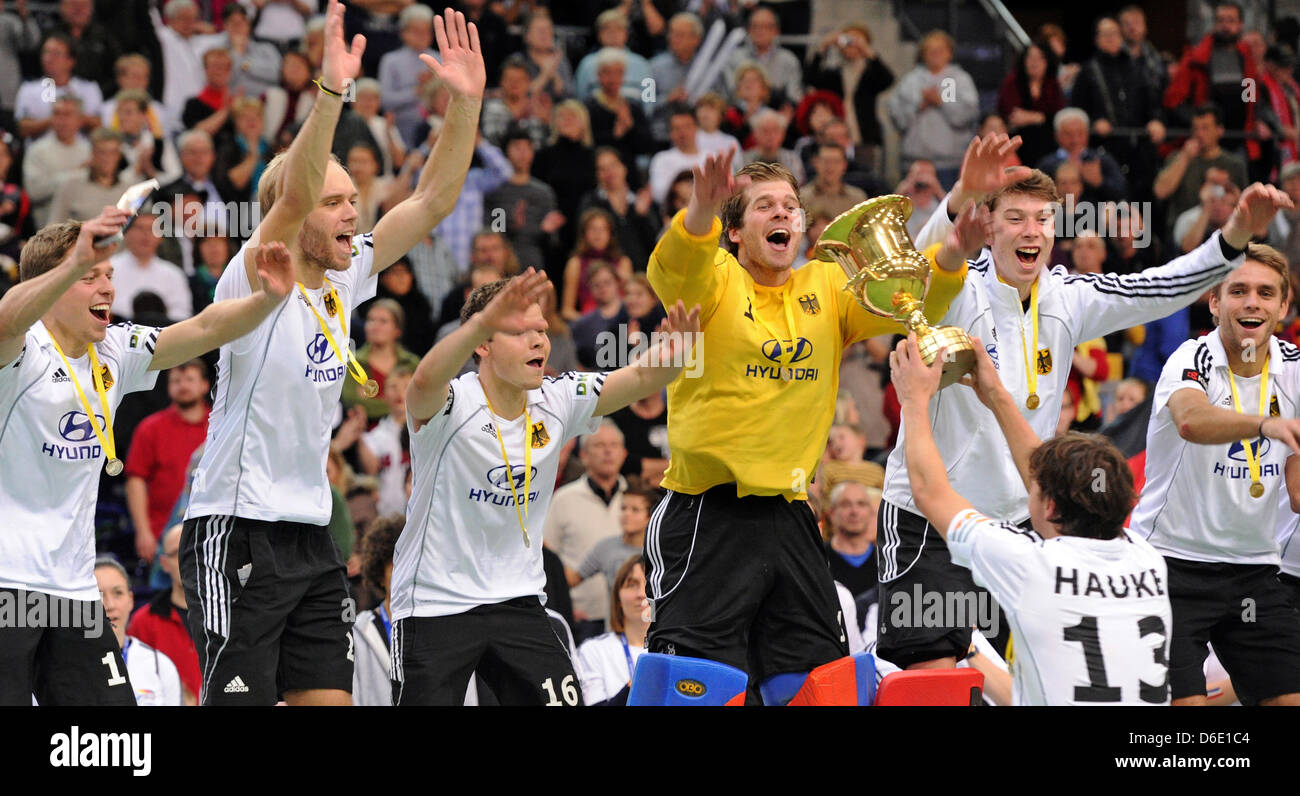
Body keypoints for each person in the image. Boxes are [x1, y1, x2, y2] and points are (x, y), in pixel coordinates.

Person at [877, 136, 1293, 671]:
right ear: (988, 225)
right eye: (1015, 218)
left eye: (1043, 219)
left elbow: (1159, 287)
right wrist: (958, 201)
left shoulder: (1069, 297)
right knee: (931, 678)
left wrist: (1234, 234)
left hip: (1018, 525)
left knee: (1003, 680)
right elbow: (914, 275)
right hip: (928, 520)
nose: (1032, 231)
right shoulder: (960, 288)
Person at [179, 2, 486, 707]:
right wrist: (329, 95)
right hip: (238, 528)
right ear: (294, 211)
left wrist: (463, 105)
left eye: (355, 198)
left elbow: (434, 198)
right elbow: (289, 196)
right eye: (335, 200)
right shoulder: (254, 275)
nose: (354, 211)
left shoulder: (347, 278)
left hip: (312, 537)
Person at [637, 145, 976, 702]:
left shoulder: (823, 285)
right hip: (707, 513)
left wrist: (951, 254)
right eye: (764, 206)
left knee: (818, 686)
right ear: (735, 233)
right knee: (692, 690)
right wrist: (701, 207)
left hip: (793, 517)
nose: (782, 215)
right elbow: (677, 265)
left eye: (790, 207)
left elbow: (904, 302)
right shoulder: (716, 277)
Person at [0, 202, 295, 707]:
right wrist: (72, 261)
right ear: (48, 287)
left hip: (73, 590)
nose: (107, 288)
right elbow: (7, 316)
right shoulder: (20, 351)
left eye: (109, 275)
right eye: (89, 276)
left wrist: (265, 300)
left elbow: (202, 330)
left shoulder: (115, 350)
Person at [389, 269, 701, 705]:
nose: (539, 340)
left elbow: (640, 379)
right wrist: (480, 320)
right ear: (482, 343)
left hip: (518, 599)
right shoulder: (451, 405)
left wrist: (680, 352)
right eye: (521, 331)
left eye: (542, 329)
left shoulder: (556, 398)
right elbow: (421, 383)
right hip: (435, 602)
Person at [891, 332, 1172, 705]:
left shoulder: (1029, 563)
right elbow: (1049, 479)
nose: (1030, 489)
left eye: (1037, 491)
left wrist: (913, 400)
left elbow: (928, 490)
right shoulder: (1147, 557)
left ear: (1050, 508)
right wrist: (997, 396)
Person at [1129, 243, 1300, 706]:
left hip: (1255, 572)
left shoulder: (1295, 370)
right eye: (1238, 290)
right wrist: (1267, 424)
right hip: (1170, 566)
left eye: (1266, 293)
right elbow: (1192, 420)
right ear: (1214, 302)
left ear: (1283, 307)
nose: (1252, 302)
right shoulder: (1191, 358)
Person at [545, 418, 629, 632]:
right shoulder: (563, 499)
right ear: (583, 455)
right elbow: (548, 561)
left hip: (629, 619)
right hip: (579, 617)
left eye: (614, 446)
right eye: (599, 445)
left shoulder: (637, 500)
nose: (608, 452)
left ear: (624, 453)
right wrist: (561, 606)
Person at [126, 359, 210, 563]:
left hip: (209, 533)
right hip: (162, 535)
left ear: (205, 385)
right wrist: (143, 532)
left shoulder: (220, 425)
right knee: (162, 594)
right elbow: (135, 481)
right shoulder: (150, 428)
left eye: (189, 379)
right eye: (176, 380)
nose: (182, 385)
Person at [886, 30, 979, 188]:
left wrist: (941, 102)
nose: (935, 54)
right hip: (913, 162)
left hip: (948, 164)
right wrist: (918, 105)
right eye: (930, 50)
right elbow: (896, 117)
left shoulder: (959, 80)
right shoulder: (910, 81)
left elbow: (967, 116)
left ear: (949, 53)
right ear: (923, 54)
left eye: (940, 50)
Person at [126, 524, 201, 704]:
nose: (186, 560)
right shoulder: (143, 622)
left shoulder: (228, 615)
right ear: (164, 563)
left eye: (191, 550)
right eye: (177, 553)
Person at [94, 557, 183, 706]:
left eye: (118, 593)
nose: (109, 605)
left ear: (130, 600)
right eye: (98, 595)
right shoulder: (65, 666)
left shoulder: (160, 665)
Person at [575, 555, 649, 705]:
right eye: (632, 584)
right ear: (618, 597)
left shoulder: (675, 650)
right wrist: (636, 684)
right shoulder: (593, 650)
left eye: (648, 585)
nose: (641, 594)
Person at [351, 514, 405, 707]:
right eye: (398, 566)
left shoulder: (443, 629)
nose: (406, 575)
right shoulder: (357, 633)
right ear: (380, 574)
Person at [568, 481, 657, 593]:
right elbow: (572, 579)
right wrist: (547, 551)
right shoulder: (606, 547)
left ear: (651, 516)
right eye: (623, 508)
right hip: (614, 610)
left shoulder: (660, 552)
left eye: (635, 510)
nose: (627, 514)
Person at [342, 298, 420, 422]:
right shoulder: (352, 363)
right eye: (371, 320)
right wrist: (400, 404)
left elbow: (420, 400)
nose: (375, 326)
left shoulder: (412, 363)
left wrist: (372, 400)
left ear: (397, 330)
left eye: (383, 321)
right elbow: (352, 401)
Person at [562, 209, 633, 320]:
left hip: (621, 321)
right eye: (593, 229)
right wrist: (589, 324)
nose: (598, 234)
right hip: (589, 322)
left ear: (610, 233)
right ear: (584, 234)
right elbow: (567, 311)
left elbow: (632, 300)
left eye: (603, 229)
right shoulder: (575, 264)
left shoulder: (623, 262)